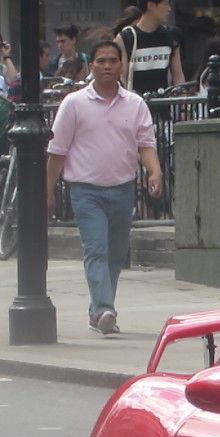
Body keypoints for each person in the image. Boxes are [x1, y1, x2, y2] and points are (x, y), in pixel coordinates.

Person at [46, 39, 164, 336]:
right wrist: (46, 190)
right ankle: (103, 310)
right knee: (96, 249)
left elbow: (146, 145)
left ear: (122, 64)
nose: (108, 66)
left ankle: (98, 310)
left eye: (113, 60)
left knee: (115, 254)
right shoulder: (73, 104)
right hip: (86, 190)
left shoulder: (135, 104)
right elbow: (58, 151)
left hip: (123, 188)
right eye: (102, 61)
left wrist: (155, 171)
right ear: (91, 65)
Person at [119, 0, 185, 95]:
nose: (169, 9)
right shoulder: (127, 37)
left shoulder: (171, 35)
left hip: (165, 103)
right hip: (136, 104)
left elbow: (178, 75)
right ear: (150, 5)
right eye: (165, 4)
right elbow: (123, 76)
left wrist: (183, 105)